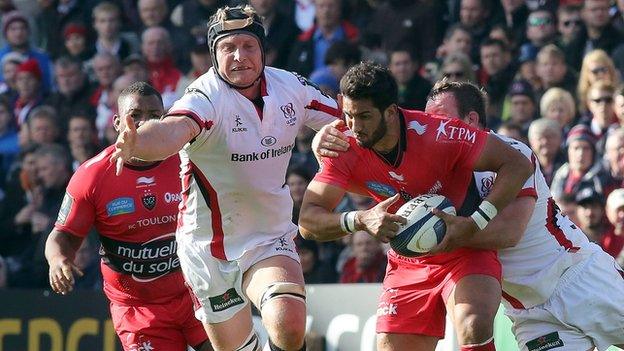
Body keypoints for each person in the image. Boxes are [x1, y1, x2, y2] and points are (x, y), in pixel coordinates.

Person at [312, 77, 624, 350]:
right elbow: (359, 169)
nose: (432, 127)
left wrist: (449, 235)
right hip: (529, 312)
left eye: (442, 119)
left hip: (576, 278)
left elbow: (508, 233)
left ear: (470, 121)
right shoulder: (430, 163)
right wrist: (320, 143)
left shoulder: (511, 155)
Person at [111, 6, 340, 351]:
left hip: (268, 237)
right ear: (214, 55)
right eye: (228, 47)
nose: (239, 56)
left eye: (248, 46)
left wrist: (336, 136)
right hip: (208, 250)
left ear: (263, 51)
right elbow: (173, 131)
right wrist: (139, 142)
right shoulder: (205, 97)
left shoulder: (290, 87)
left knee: (288, 322)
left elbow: (349, 122)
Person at [299, 62, 533, 351]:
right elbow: (308, 220)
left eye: (364, 116)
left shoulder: (441, 134)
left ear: (390, 111)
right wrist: (360, 219)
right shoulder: (343, 147)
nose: (354, 127)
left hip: (463, 248)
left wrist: (476, 222)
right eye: (348, 115)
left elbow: (517, 164)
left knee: (473, 324)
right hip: (407, 259)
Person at [45, 82, 211, 351]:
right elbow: (63, 235)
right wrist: (58, 260)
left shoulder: (189, 161)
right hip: (138, 309)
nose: (144, 123)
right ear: (117, 123)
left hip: (198, 291)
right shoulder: (93, 176)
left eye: (154, 116)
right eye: (135, 115)